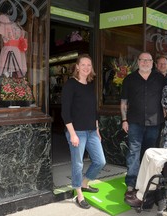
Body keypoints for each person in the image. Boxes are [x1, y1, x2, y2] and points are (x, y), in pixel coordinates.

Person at [61, 54, 106, 209]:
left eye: (89, 65)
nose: (87, 67)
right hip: (77, 132)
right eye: (83, 64)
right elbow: (65, 112)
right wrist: (72, 134)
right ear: (78, 67)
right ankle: (79, 195)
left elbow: (94, 111)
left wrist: (97, 130)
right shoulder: (70, 85)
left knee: (100, 161)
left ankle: (84, 183)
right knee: (78, 164)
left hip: (92, 131)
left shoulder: (90, 85)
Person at [121, 52, 165, 199]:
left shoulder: (161, 79)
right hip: (134, 122)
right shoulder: (129, 79)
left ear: (152, 63)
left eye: (148, 60)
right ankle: (131, 183)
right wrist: (124, 120)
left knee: (149, 154)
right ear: (138, 62)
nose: (145, 63)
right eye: (142, 60)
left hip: (154, 123)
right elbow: (123, 103)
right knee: (134, 152)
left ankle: (146, 182)